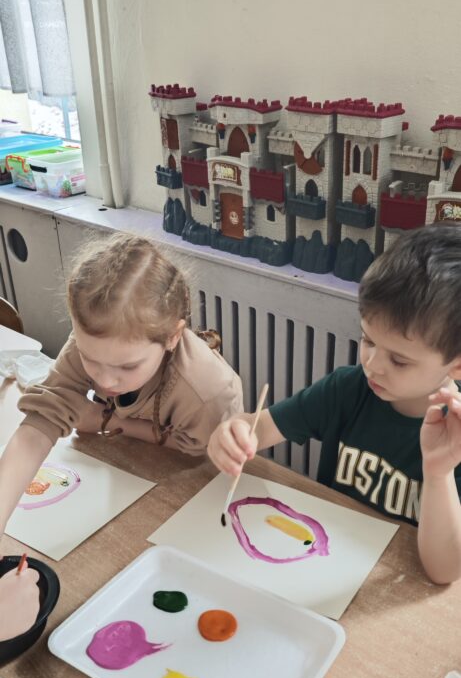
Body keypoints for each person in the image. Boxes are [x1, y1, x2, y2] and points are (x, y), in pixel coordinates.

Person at [207, 225, 461, 585]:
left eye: (399, 360)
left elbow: (444, 571)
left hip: (392, 587)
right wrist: (232, 433)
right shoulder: (348, 388)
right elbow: (259, 428)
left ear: (456, 365)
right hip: (320, 565)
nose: (372, 364)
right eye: (367, 340)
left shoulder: (455, 435)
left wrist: (438, 474)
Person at [0, 233, 243, 540]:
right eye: (89, 358)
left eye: (127, 367)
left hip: (196, 490)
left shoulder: (209, 391)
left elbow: (199, 448)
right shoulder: (101, 343)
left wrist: (109, 422)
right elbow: (38, 426)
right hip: (124, 471)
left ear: (172, 336)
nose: (105, 380)